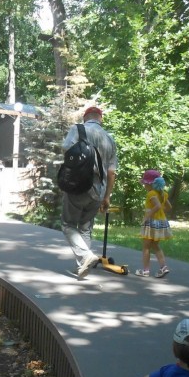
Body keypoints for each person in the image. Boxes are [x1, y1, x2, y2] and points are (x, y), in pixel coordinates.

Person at [61, 106, 118, 280]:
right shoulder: (110, 139)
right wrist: (107, 196)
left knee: (68, 224)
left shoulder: (78, 129)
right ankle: (82, 267)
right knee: (85, 227)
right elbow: (112, 172)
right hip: (99, 190)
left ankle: (85, 256)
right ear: (101, 119)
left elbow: (66, 150)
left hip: (78, 186)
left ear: (85, 117)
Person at [136, 170, 172, 277]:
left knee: (146, 247)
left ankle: (146, 270)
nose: (144, 186)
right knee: (156, 246)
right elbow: (169, 207)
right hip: (160, 223)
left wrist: (147, 216)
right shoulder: (164, 194)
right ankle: (163, 267)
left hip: (151, 223)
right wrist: (160, 213)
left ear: (150, 184)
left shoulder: (151, 193)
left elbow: (157, 206)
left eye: (145, 184)